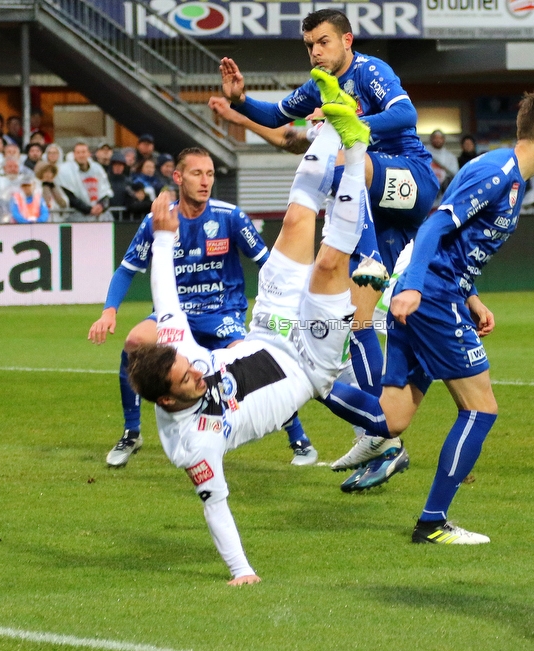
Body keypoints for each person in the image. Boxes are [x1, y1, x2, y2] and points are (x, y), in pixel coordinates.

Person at [126, 103, 369, 583]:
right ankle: (357, 147)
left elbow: (165, 293)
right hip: (309, 368)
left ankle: (332, 131)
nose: (198, 370)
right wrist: (241, 571)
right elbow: (216, 507)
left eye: (188, 366)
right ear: (169, 398)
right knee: (328, 262)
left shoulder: (175, 354)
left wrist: (162, 238)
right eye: (188, 379)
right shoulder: (192, 448)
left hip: (267, 330)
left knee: (298, 221)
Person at [320, 90, 534, 539]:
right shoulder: (496, 173)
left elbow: (455, 239)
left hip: (437, 292)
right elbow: (435, 224)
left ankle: (305, 379)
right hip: (431, 296)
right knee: (481, 409)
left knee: (391, 418)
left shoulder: (510, 178)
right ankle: (432, 522)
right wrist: (417, 286)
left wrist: (471, 296)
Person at [216, 9, 440, 473]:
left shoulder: (370, 70)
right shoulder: (318, 83)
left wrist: (353, 124)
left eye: (322, 42)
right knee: (359, 321)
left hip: (410, 180)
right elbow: (278, 116)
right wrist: (240, 101)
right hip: (374, 209)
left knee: (340, 163)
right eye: (309, 45)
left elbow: (406, 113)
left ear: (346, 40)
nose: (316, 52)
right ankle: (378, 435)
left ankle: (371, 256)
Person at [89, 146, 316, 467]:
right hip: (175, 314)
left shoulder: (230, 217)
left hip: (223, 313)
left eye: (209, 174)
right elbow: (127, 268)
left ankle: (299, 440)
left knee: (255, 363)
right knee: (135, 342)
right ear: (178, 177)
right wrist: (109, 310)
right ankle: (132, 431)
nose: (205, 180)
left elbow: (269, 263)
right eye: (197, 173)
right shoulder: (160, 219)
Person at [57, 142, 112, 220]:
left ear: (88, 153)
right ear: (74, 154)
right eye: (78, 152)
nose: (81, 155)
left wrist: (101, 205)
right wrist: (87, 209)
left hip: (98, 216)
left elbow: (105, 191)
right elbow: (69, 194)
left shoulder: (97, 169)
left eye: (83, 152)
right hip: (76, 216)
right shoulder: (66, 171)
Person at [425, 129, 459, 194]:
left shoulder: (450, 157)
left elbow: (454, 175)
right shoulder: (424, 153)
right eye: (435, 138)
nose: (438, 140)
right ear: (431, 139)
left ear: (443, 140)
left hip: (444, 190)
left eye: (440, 138)